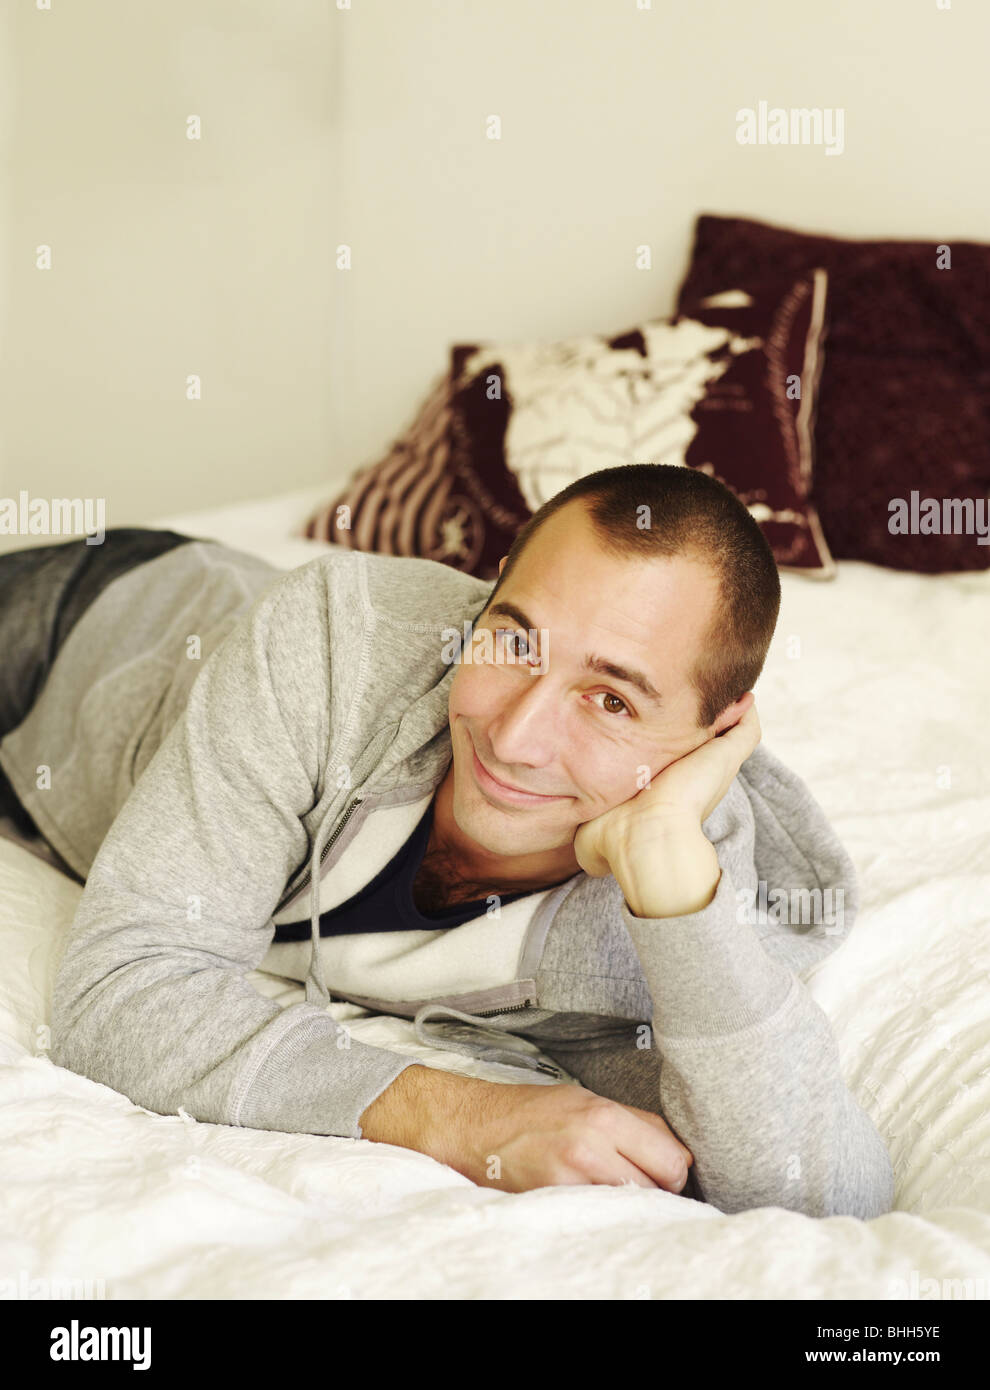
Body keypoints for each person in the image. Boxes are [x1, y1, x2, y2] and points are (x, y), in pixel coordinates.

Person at [0, 465, 895, 1217]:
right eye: (514, 639)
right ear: (491, 589)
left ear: (715, 735)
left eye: (613, 700)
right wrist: (462, 1116)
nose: (514, 737)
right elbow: (121, 986)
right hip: (96, 617)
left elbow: (822, 1198)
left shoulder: (677, 909)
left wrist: (669, 874)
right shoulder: (327, 641)